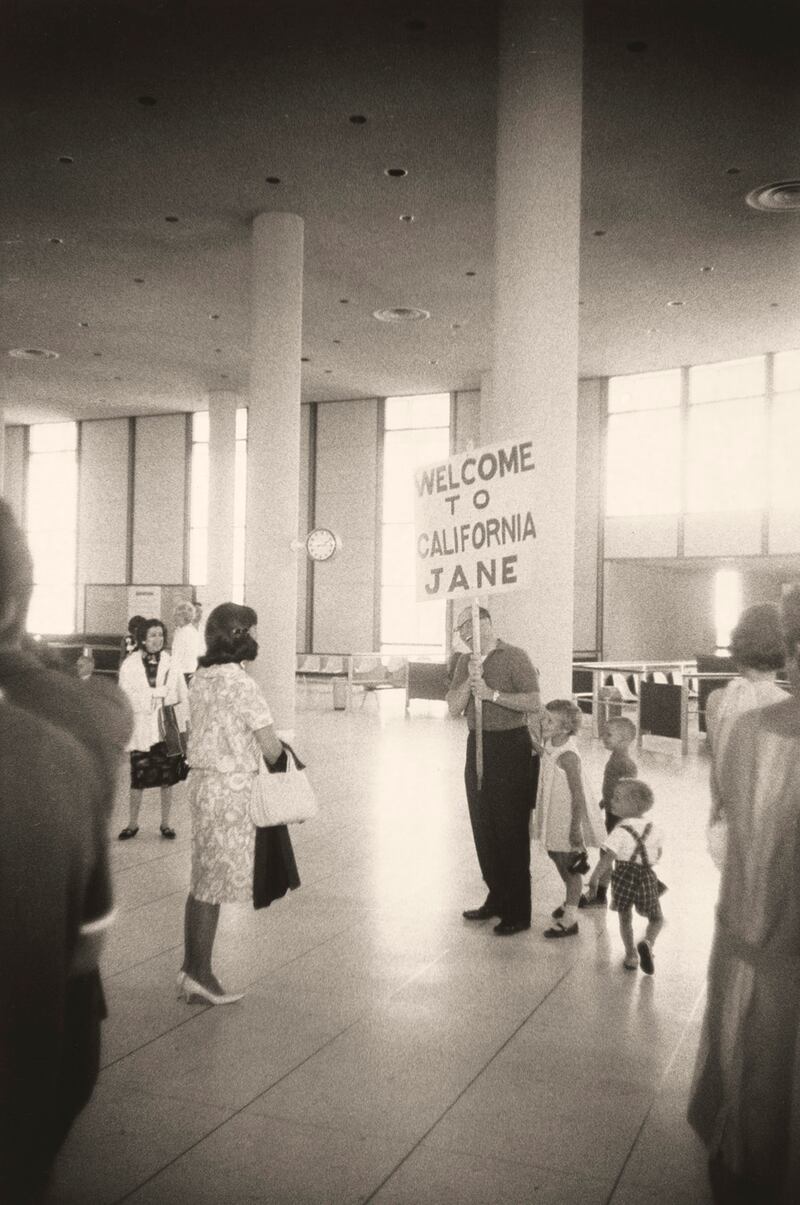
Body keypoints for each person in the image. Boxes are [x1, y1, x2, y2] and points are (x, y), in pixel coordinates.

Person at [688, 586, 800, 1204]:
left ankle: (743, 1137)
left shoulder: (734, 708)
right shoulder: (772, 716)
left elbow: (724, 777)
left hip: (738, 839)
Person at [180, 603, 284, 1004]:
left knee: (201, 880)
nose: (257, 640)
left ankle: (191, 969)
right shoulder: (241, 684)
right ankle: (202, 974)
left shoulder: (202, 677)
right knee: (213, 887)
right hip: (230, 790)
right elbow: (271, 746)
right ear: (240, 637)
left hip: (203, 786)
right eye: (253, 632)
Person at [446, 605, 541, 936]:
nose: (463, 634)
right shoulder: (463, 662)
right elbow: (455, 708)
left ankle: (518, 910)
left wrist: (492, 694)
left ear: (485, 622)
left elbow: (533, 702)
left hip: (510, 746)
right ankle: (497, 896)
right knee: (483, 824)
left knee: (510, 828)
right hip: (478, 744)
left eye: (466, 626)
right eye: (460, 630)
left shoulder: (514, 656)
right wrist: (469, 682)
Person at [705, 602, 786, 868]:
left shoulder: (718, 701)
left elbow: (717, 768)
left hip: (730, 828)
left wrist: (716, 812)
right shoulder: (786, 705)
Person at [533, 698, 604, 938]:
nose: (544, 723)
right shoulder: (551, 743)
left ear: (565, 728)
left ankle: (570, 917)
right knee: (555, 854)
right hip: (553, 815)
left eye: (549, 720)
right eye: (544, 718)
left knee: (569, 865)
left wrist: (576, 828)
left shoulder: (569, 756)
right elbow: (545, 755)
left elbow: (578, 794)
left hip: (566, 819)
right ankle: (570, 900)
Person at [117, 618, 188, 840]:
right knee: (137, 777)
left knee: (168, 778)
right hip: (142, 728)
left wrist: (185, 726)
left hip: (165, 727)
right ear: (143, 639)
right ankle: (132, 824)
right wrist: (155, 694)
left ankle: (165, 823)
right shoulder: (130, 664)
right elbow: (125, 695)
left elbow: (181, 694)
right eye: (152, 635)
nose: (157, 639)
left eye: (160, 635)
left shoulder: (171, 662)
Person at [586, 778, 665, 972]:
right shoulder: (654, 828)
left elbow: (607, 858)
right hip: (646, 876)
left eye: (618, 798)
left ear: (634, 804)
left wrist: (594, 878)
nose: (612, 801)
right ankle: (648, 942)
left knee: (625, 918)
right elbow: (657, 855)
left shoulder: (620, 831)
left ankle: (631, 955)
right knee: (656, 918)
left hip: (623, 876)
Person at [582, 715, 638, 907]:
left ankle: (599, 892)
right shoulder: (615, 758)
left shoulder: (625, 763)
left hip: (619, 817)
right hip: (612, 813)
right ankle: (601, 893)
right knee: (608, 852)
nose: (604, 737)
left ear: (624, 740)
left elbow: (629, 790)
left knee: (610, 853)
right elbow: (613, 787)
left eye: (609, 734)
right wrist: (604, 802)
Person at [171, 600, 201, 684]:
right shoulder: (185, 630)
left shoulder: (185, 632)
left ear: (184, 616)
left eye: (176, 615)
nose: (174, 617)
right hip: (187, 671)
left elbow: (177, 656)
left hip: (184, 673)